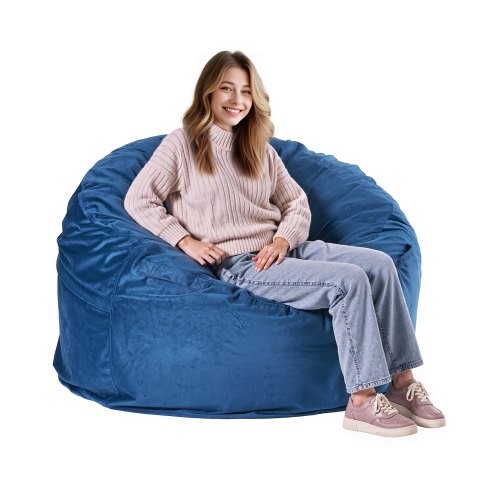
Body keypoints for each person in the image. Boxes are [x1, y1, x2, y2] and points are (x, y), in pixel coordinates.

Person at [124, 50, 445, 437]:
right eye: (227, 88)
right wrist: (186, 241)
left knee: (380, 263)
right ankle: (361, 400)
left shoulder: (259, 148)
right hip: (241, 263)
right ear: (207, 93)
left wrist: (282, 239)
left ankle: (401, 383)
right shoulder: (181, 145)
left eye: (246, 91)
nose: (237, 99)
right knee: (347, 282)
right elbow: (138, 200)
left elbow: (296, 203)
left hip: (282, 250)